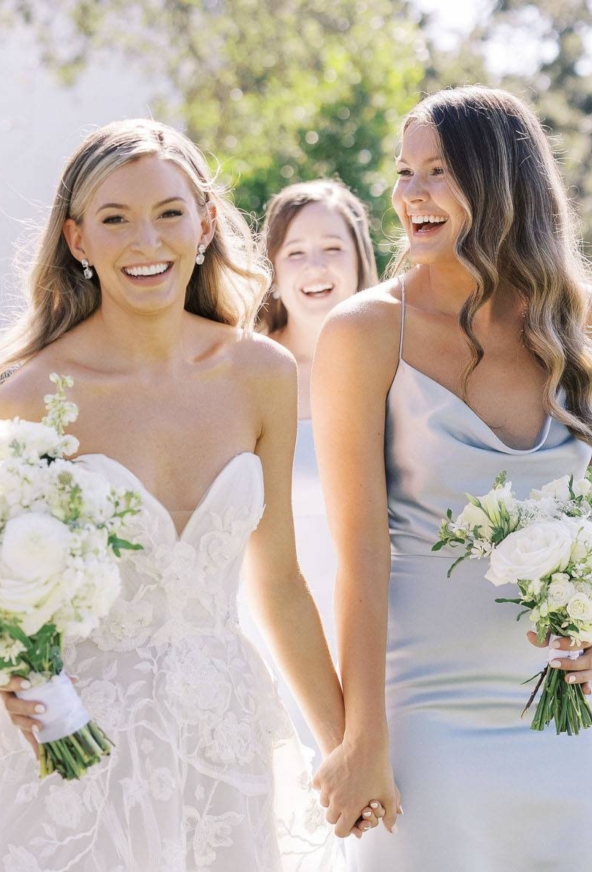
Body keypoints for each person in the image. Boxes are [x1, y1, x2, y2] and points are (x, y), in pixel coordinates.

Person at [0, 119, 379, 871]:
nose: (147, 242)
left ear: (205, 223)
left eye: (169, 213)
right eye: (115, 219)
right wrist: (17, 676)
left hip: (222, 739)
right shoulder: (32, 394)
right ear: (78, 240)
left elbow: (279, 585)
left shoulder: (260, 374)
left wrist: (345, 746)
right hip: (76, 747)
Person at [313, 86, 592, 868]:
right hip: (425, 716)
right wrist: (361, 737)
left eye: (437, 171)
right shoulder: (365, 332)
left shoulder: (586, 327)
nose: (411, 195)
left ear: (502, 183)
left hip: (570, 720)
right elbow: (360, 558)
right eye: (404, 173)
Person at [243, 180, 379, 760]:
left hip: (380, 619)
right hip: (274, 616)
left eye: (333, 248)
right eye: (296, 252)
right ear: (272, 266)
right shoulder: (246, 368)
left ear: (359, 258)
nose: (315, 266)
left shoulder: (400, 359)